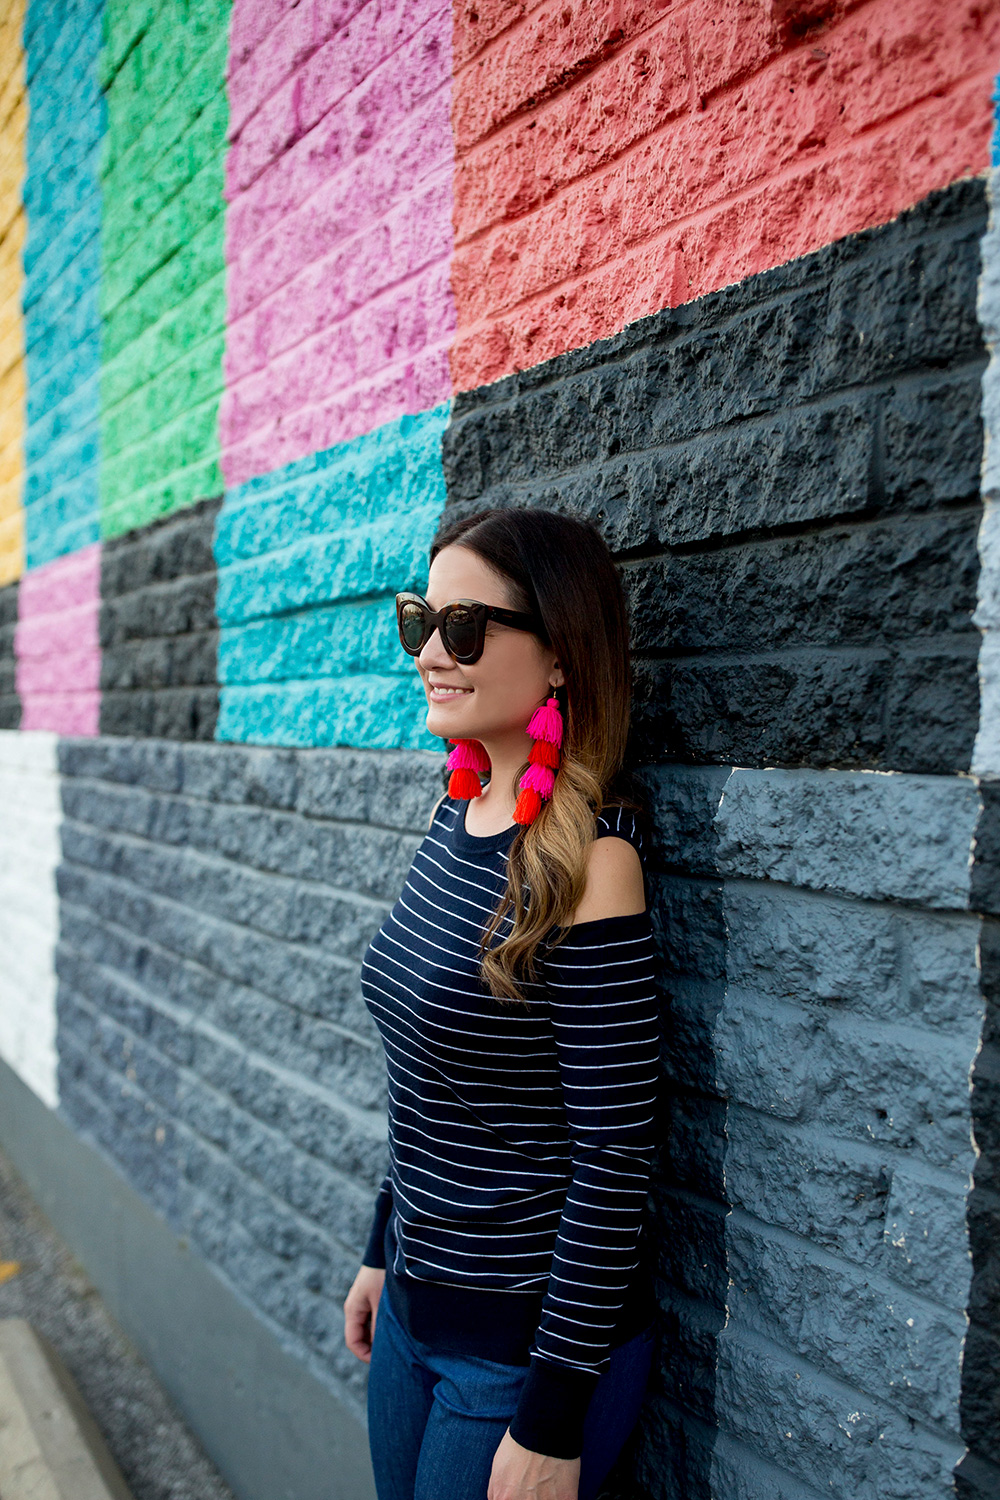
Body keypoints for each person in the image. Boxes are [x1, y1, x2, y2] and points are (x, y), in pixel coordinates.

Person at [344, 507, 661, 1500]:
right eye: (419, 621)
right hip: (412, 1311)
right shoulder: (453, 808)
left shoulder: (591, 866)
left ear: (558, 655)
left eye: (466, 628)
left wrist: (553, 1418)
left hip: (519, 1356)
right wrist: (380, 1248)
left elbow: (616, 1161)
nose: (432, 651)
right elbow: (431, 1084)